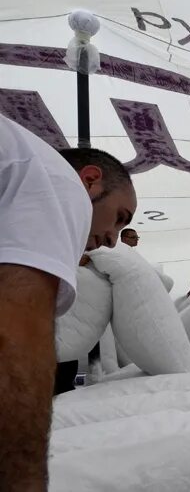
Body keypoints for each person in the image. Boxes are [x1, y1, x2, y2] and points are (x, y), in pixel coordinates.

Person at [1, 114, 136, 491]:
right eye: (119, 219)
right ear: (90, 180)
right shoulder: (60, 184)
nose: (113, 239)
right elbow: (15, 335)